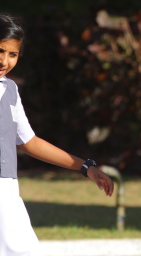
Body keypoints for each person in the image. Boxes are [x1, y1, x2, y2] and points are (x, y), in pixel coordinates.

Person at [0, 14, 114, 256]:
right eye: (0, 51)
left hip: (6, 193)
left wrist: (85, 167)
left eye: (13, 54)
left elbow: (30, 142)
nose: (5, 61)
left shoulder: (10, 90)